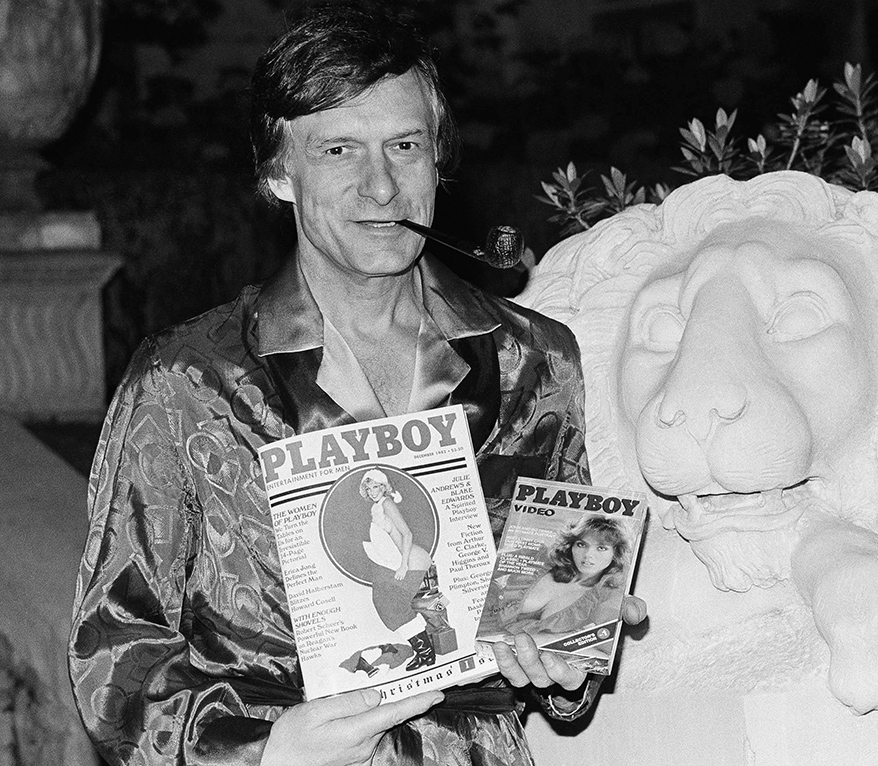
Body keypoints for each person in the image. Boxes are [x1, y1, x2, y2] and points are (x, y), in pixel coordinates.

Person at [67, 5, 646, 766]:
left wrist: (562, 647)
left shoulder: (535, 360)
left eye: (405, 146)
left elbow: (556, 618)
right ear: (279, 173)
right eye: (339, 149)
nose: (381, 187)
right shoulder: (185, 383)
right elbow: (114, 646)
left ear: (437, 161)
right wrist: (260, 752)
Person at [356, 469, 436, 671]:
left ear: (384, 487)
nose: (372, 491)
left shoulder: (387, 504)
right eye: (368, 488)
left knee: (393, 605)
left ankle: (426, 652)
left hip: (411, 561)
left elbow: (407, 534)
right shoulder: (377, 507)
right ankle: (425, 652)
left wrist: (404, 565)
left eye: (376, 486)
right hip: (398, 560)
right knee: (385, 602)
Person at [506, 517, 632, 639]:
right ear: (571, 546)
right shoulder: (539, 558)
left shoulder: (605, 598)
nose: (588, 555)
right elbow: (495, 561)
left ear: (616, 554)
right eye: (581, 545)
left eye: (601, 548)